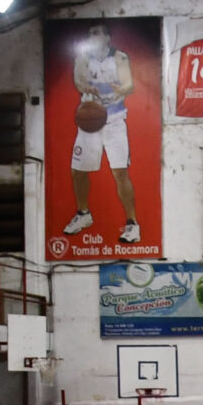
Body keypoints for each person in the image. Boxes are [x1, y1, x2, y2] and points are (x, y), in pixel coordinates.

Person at [67, 25, 145, 246]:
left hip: (114, 120)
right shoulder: (83, 58)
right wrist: (87, 88)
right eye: (89, 33)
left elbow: (129, 85)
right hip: (90, 122)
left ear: (107, 37)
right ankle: (84, 214)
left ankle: (132, 223)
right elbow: (79, 81)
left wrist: (120, 90)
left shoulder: (119, 57)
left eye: (96, 32)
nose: (91, 36)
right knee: (77, 171)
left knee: (120, 173)